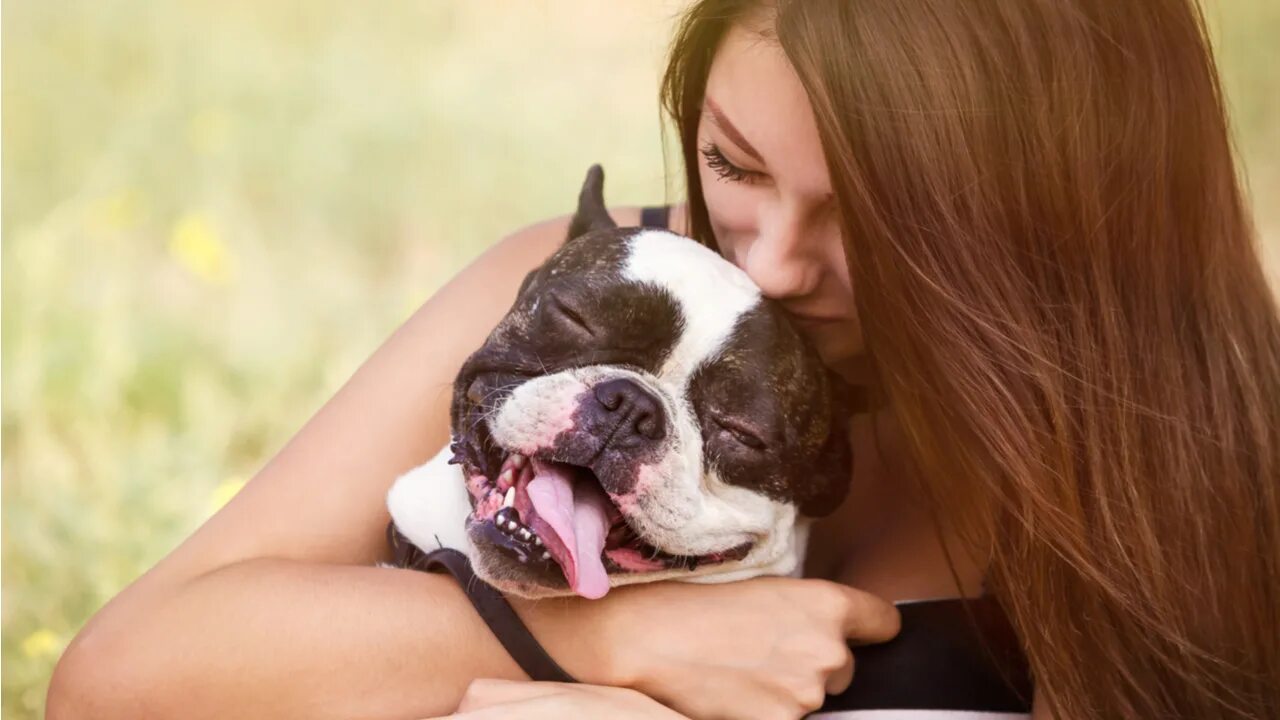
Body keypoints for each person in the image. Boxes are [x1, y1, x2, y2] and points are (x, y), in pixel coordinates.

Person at [48, 0, 1280, 718]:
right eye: (732, 165)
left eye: (872, 219)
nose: (776, 260)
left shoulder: (1188, 458)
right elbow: (121, 675)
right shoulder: (595, 283)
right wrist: (595, 641)